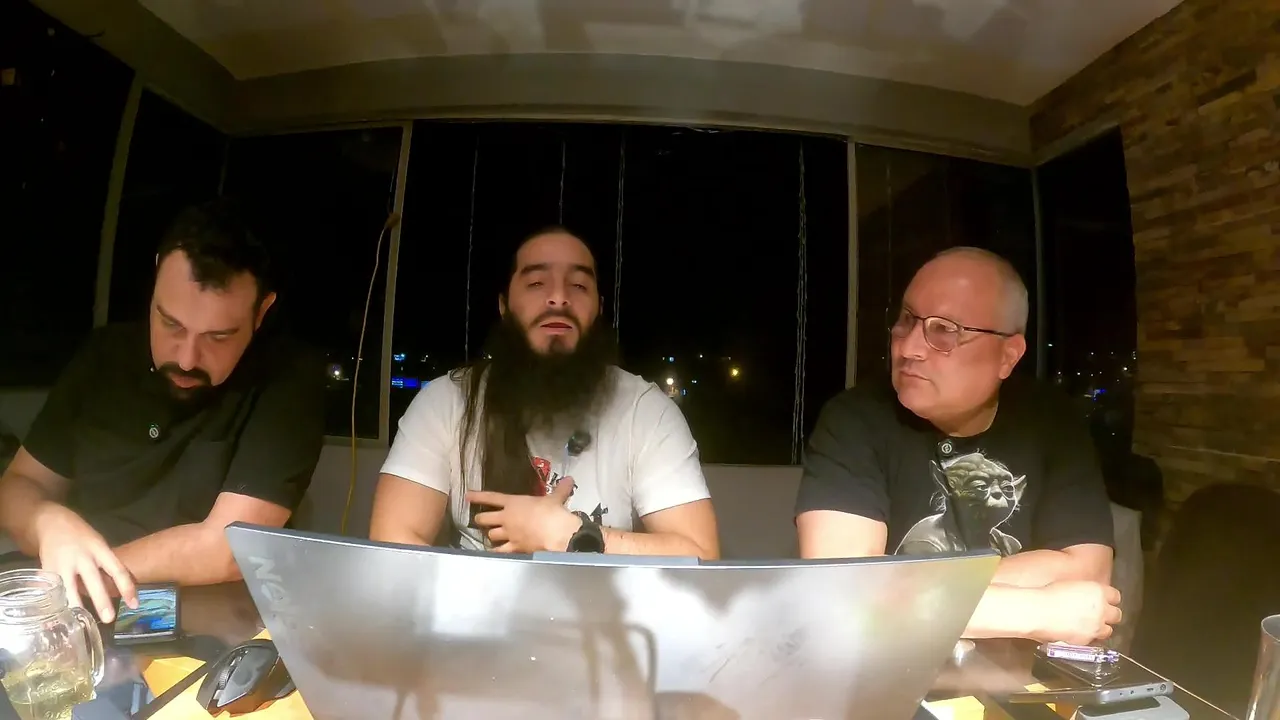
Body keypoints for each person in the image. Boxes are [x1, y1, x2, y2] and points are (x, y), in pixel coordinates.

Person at [0, 201, 326, 622]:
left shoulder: (288, 379)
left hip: (205, 619)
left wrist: (85, 574)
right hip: (76, 604)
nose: (187, 359)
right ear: (156, 279)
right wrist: (47, 522)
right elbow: (19, 484)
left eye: (218, 337)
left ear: (261, 312)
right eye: (171, 324)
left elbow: (229, 548)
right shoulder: (103, 357)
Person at [796, 247, 1122, 645]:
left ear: (1008, 356)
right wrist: (1035, 611)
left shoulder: (1052, 422)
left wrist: (901, 592)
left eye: (944, 331)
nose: (909, 347)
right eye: (907, 319)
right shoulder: (855, 420)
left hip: (1009, 675)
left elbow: (1089, 576)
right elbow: (841, 592)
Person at [371, 227, 719, 559]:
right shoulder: (445, 403)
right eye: (536, 283)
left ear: (598, 308)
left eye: (578, 285)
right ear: (504, 306)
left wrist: (572, 536)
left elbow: (700, 555)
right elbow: (391, 544)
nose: (559, 298)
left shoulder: (647, 412)